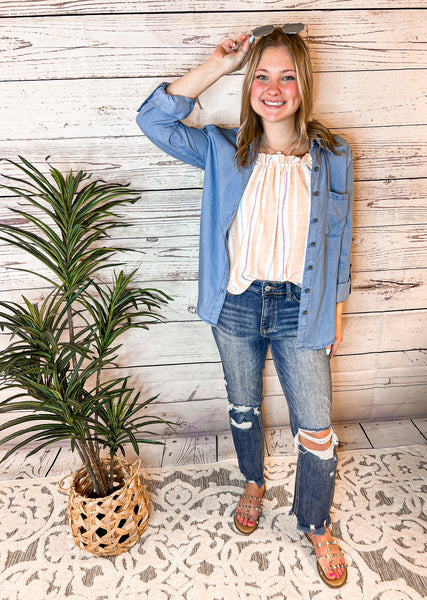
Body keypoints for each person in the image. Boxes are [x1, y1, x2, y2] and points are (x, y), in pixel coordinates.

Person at [136, 24, 352, 589]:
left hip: (302, 309)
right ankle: (253, 481)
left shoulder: (333, 155)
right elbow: (152, 119)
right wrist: (219, 64)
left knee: (317, 427)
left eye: (286, 76)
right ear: (248, 83)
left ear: (304, 84)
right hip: (236, 303)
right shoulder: (222, 148)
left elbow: (340, 240)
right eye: (261, 75)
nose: (273, 88)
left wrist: (337, 313)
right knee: (243, 406)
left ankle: (315, 521)